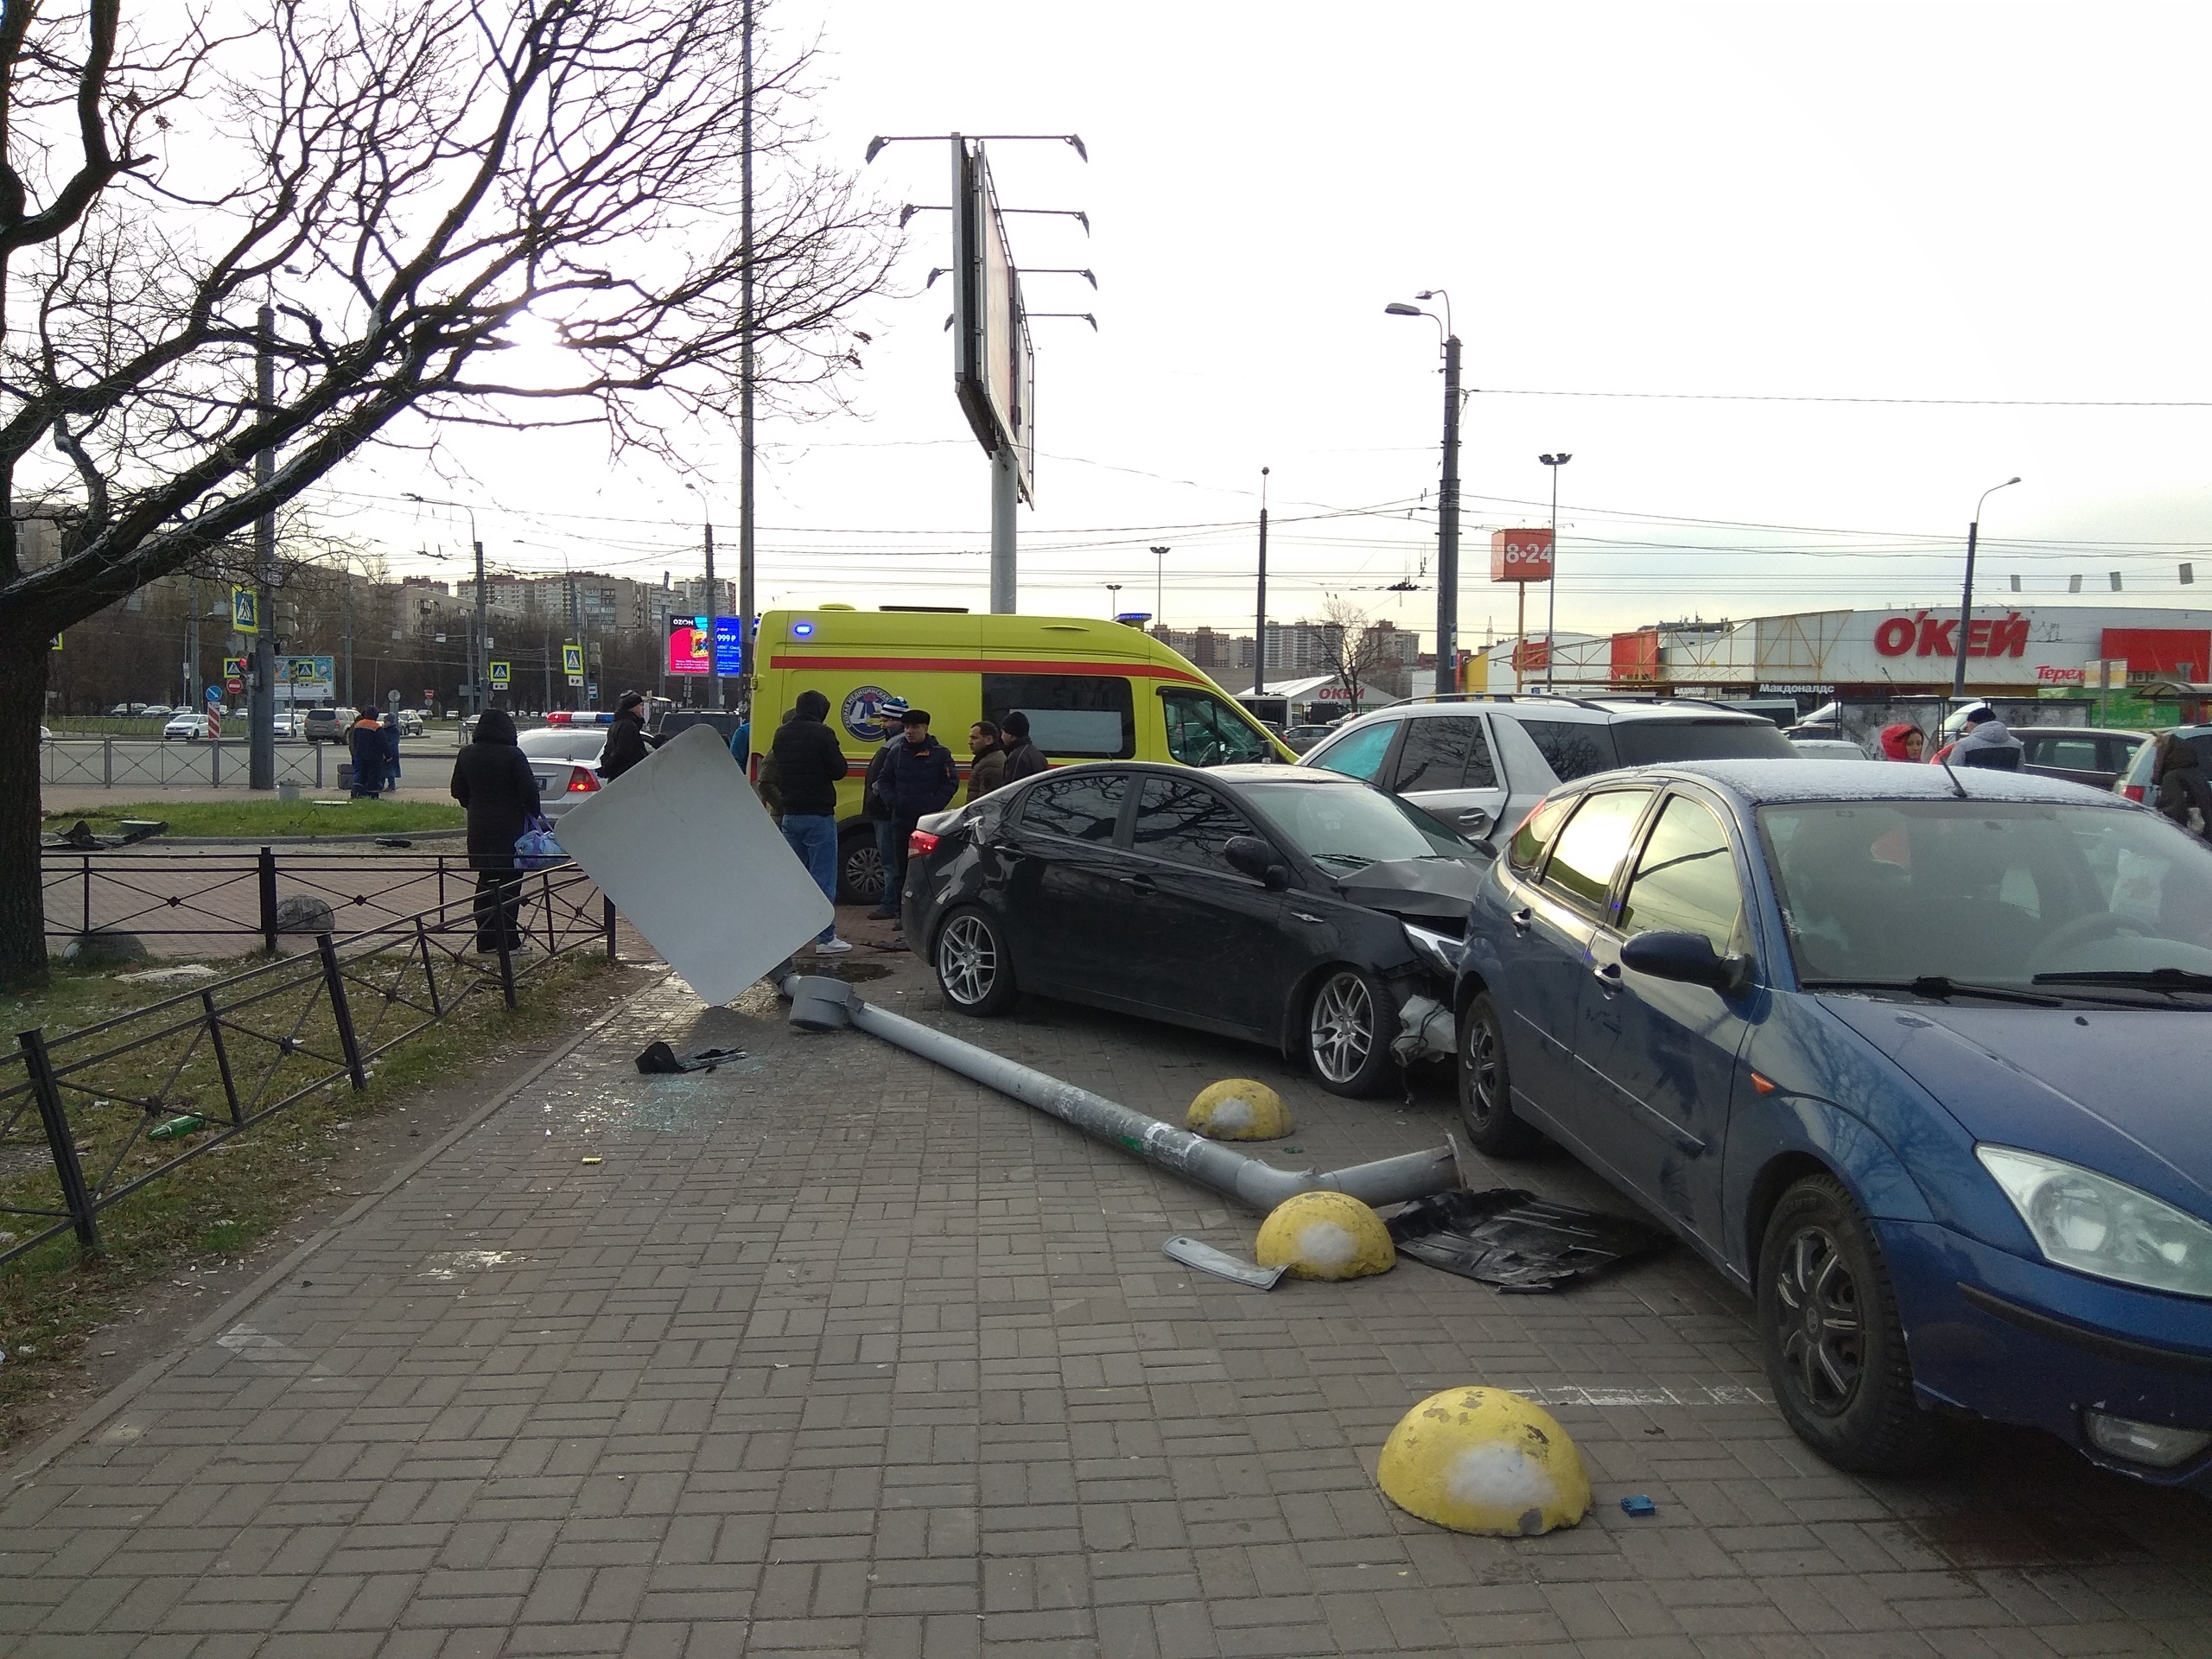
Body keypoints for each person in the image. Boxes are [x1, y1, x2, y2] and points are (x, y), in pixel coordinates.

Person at [449, 708, 542, 954]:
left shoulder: (466, 754)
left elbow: (457, 789)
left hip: (478, 829)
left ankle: (486, 941)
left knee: (485, 884)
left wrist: (474, 805)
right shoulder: (513, 755)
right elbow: (530, 793)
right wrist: (531, 812)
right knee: (509, 887)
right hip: (510, 831)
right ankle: (508, 942)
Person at [771, 690, 855, 955]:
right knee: (823, 878)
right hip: (818, 813)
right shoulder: (823, 733)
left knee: (794, 876)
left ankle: (791, 935)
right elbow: (839, 770)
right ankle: (826, 937)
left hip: (790, 813)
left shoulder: (781, 733)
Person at [880, 707, 961, 907]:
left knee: (927, 869)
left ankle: (925, 910)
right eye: (906, 727)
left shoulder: (940, 754)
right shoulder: (897, 752)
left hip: (927, 825)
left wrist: (934, 805)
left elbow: (951, 783)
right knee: (901, 870)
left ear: (925, 728)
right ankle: (901, 913)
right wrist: (893, 802)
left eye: (914, 727)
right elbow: (884, 780)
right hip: (901, 821)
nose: (909, 731)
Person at [860, 697, 911, 920]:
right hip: (884, 810)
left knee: (891, 862)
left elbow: (887, 778)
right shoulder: (896, 743)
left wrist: (878, 797)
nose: (883, 724)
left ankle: (890, 905)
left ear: (899, 721)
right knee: (892, 861)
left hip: (886, 812)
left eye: (888, 720)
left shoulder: (897, 744)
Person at [2155, 734, 2212, 835]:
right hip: (2204, 839)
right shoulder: (2197, 775)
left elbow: (2173, 813)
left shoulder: (2172, 778)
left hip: (2186, 837)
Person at [1948, 707, 2024, 771]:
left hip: (1973, 788)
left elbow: (1953, 772)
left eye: (1967, 725)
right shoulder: (2016, 744)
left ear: (1972, 723)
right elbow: (2020, 772)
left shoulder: (1963, 745)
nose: (1966, 729)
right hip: (2008, 787)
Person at [601, 690, 652, 781]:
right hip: (629, 778)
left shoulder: (616, 724)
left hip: (618, 777)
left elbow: (608, 750)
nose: (642, 708)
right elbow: (623, 753)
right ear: (632, 708)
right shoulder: (628, 726)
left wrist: (607, 767)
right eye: (640, 705)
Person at [999, 709, 1049, 784]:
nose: (1001, 737)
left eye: (1003, 733)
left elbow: (1011, 788)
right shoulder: (1037, 754)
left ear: (1010, 734)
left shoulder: (1017, 756)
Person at [347, 709, 388, 798]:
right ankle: (372, 795)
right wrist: (389, 756)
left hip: (359, 755)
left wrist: (355, 753)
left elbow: (354, 741)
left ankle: (356, 793)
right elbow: (383, 743)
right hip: (374, 756)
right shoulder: (376, 727)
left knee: (359, 775)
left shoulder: (358, 725)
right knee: (373, 776)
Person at [966, 719, 1008, 803]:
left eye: (974, 738)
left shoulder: (990, 765)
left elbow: (986, 802)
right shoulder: (990, 759)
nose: (970, 742)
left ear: (989, 740)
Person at [379, 709, 404, 796]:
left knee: (390, 771)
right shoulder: (383, 729)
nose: (384, 722)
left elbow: (394, 742)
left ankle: (391, 785)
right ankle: (381, 785)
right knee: (382, 770)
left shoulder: (394, 730)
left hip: (392, 754)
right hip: (384, 753)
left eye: (386, 721)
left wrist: (387, 746)